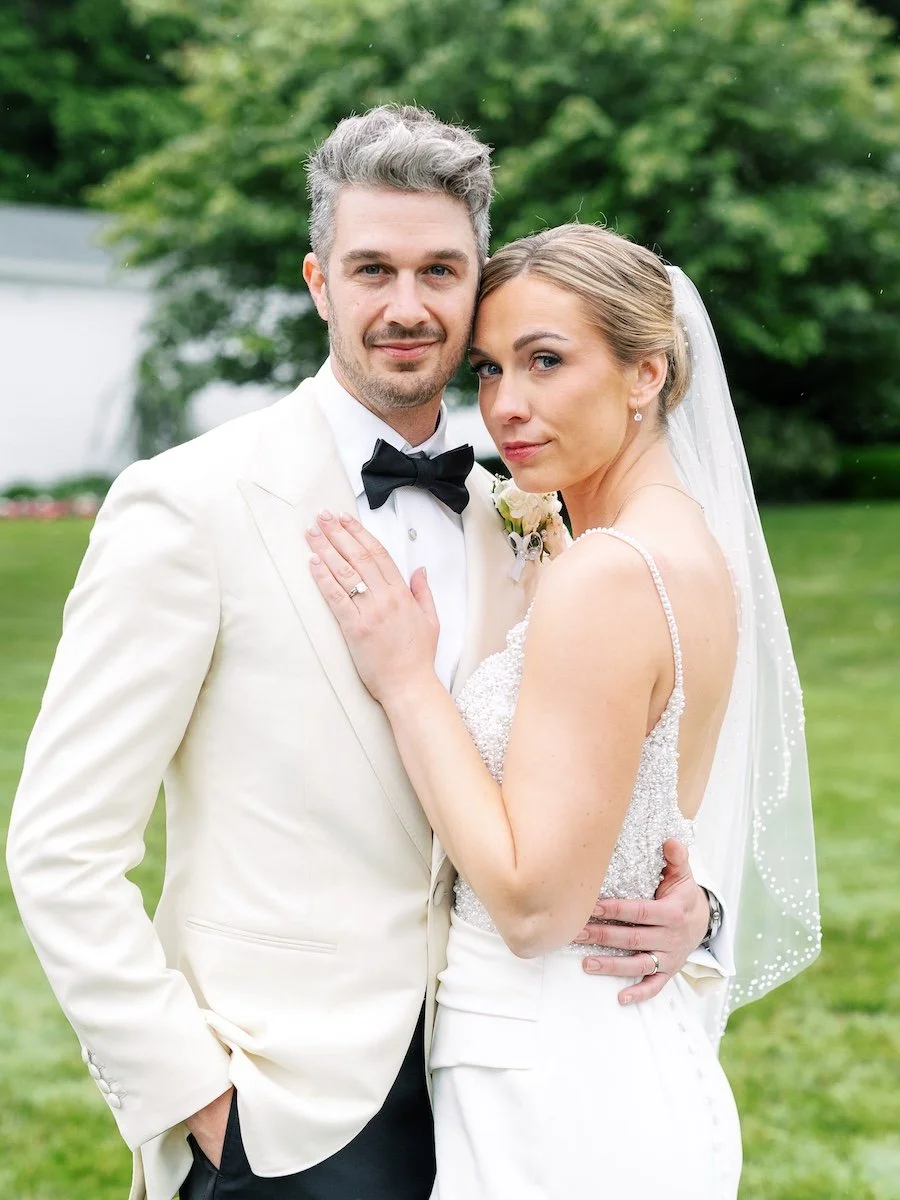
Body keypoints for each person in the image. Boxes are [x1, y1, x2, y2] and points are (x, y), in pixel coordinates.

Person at [8, 108, 736, 1200]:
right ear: (318, 281)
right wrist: (198, 1102)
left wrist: (692, 910)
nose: (407, 306)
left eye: (441, 270)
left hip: (503, 1091)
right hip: (286, 1120)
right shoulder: (189, 506)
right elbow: (60, 849)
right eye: (372, 270)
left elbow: (588, 786)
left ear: (477, 279)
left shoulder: (522, 516)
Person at [306, 223, 822, 1198]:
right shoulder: (683, 548)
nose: (506, 404)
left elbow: (538, 906)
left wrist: (409, 681)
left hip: (551, 1083)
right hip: (610, 1046)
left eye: (547, 362)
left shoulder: (609, 575)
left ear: (644, 375)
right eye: (491, 369)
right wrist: (698, 907)